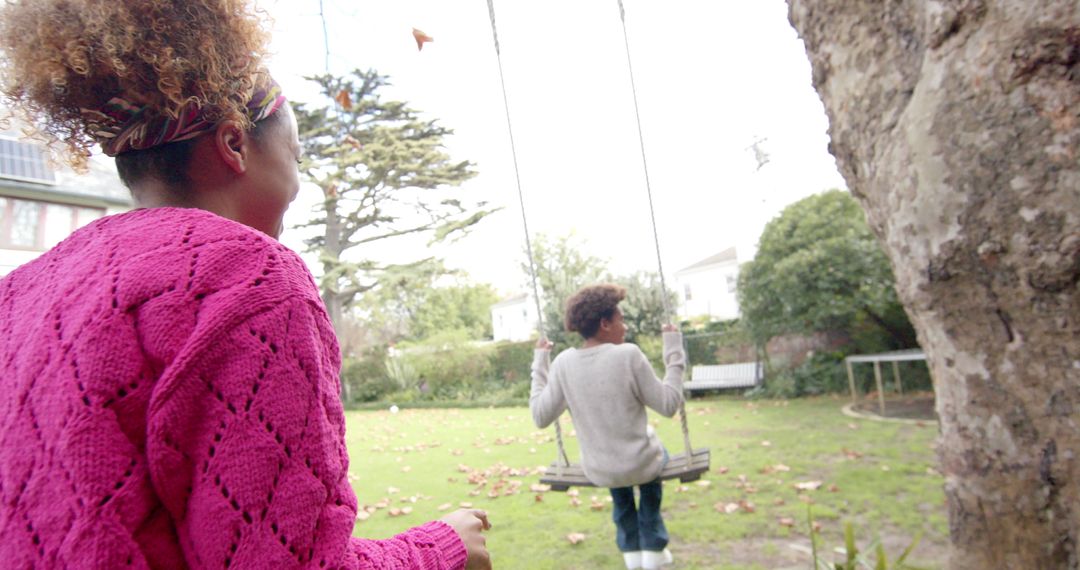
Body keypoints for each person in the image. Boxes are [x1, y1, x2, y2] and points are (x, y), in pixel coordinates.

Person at [0, 1, 491, 568]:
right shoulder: (246, 279)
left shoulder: (20, 293)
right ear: (235, 145)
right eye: (296, 156)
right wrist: (442, 547)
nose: (298, 184)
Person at [530, 284, 684, 570]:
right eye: (620, 320)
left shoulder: (563, 363)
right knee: (656, 456)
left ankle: (632, 555)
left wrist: (540, 363)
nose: (624, 327)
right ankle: (652, 548)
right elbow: (668, 404)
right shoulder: (628, 355)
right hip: (641, 464)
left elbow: (540, 416)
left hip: (600, 470)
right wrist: (674, 352)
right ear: (604, 324)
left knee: (618, 478)